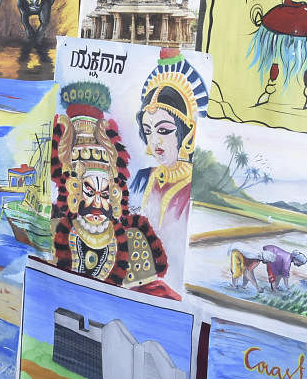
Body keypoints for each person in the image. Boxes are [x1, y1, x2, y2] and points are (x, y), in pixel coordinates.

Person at [49, 82, 173, 298]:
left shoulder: (135, 241)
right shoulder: (53, 233)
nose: (98, 204)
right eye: (89, 191)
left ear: (114, 195)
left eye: (104, 194)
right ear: (75, 192)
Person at [131, 49, 207, 281]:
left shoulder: (194, 187)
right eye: (148, 131)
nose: (155, 141)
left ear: (188, 131)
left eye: (164, 130)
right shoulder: (142, 178)